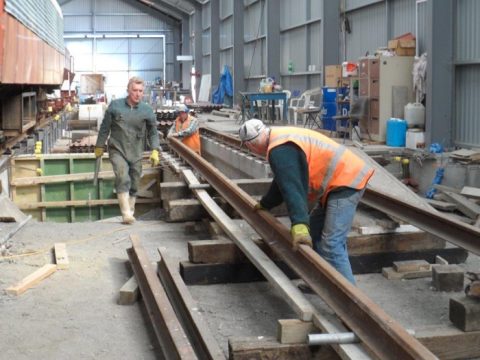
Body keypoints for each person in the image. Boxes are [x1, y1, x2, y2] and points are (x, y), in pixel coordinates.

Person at [238, 119, 374, 284]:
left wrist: (300, 224)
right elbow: (283, 181)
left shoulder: (279, 149)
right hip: (336, 184)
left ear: (250, 144)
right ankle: (321, 286)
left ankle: (352, 302)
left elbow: (292, 189)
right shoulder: (279, 140)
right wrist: (266, 204)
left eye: (247, 147)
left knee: (331, 244)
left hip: (346, 182)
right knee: (314, 234)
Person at [94, 76, 160, 224]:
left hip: (136, 151)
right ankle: (126, 214)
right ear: (128, 91)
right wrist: (99, 145)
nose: (138, 94)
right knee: (123, 177)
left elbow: (153, 132)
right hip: (117, 149)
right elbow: (105, 128)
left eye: (140, 91)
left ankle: (131, 210)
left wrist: (155, 149)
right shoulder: (115, 106)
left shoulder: (147, 110)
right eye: (135, 90)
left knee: (135, 182)